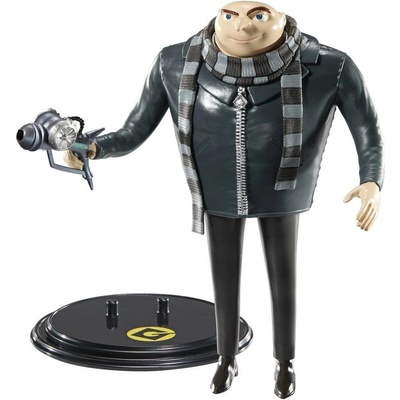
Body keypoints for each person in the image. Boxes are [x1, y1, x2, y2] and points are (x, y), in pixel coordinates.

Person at [65, 2, 384, 398]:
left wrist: (371, 180)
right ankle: (226, 359)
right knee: (224, 276)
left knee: (284, 275)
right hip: (215, 188)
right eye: (230, 14)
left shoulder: (329, 67)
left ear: (281, 17)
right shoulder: (174, 63)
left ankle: (285, 362)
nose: (241, 25)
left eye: (258, 14)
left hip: (283, 188)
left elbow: (368, 129)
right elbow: (134, 129)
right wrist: (92, 148)